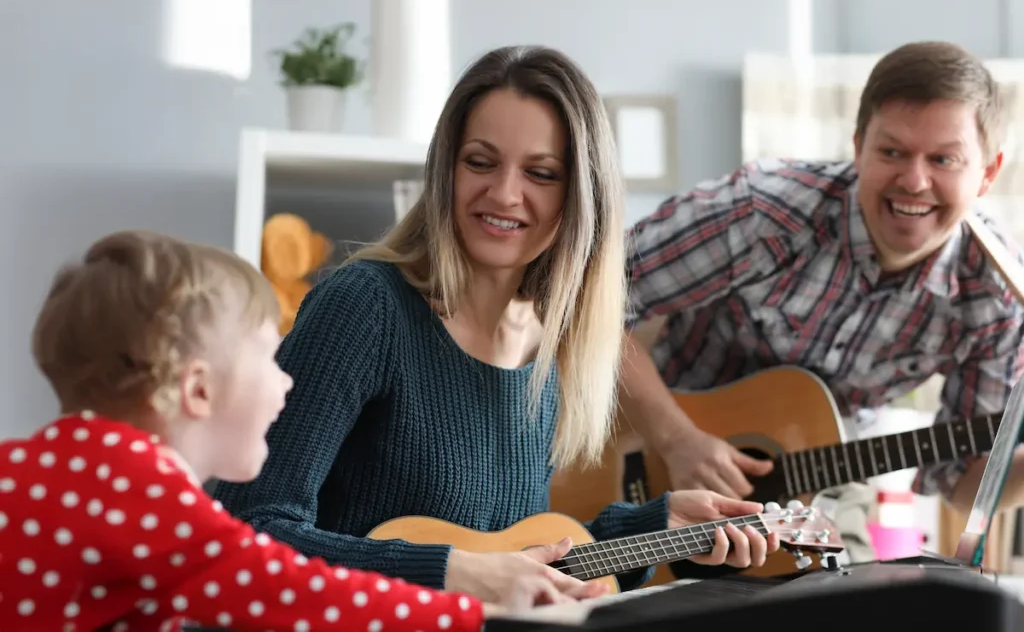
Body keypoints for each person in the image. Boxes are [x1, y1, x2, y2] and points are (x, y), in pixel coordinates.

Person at [212, 44, 779, 603]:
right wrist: (448, 572)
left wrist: (654, 531)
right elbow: (247, 534)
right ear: (446, 170)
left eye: (541, 172)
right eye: (480, 162)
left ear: (582, 198)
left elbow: (510, 556)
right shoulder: (363, 308)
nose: (505, 193)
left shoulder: (548, 345)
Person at [0, 230, 585, 632]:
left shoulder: (63, 469)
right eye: (267, 355)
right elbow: (291, 593)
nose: (287, 382)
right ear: (198, 390)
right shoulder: (140, 491)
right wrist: (474, 612)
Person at [617, 39, 1024, 570]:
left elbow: (963, 488)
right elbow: (583, 303)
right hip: (641, 455)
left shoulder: (997, 299)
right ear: (857, 147)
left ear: (988, 173)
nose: (914, 181)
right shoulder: (763, 210)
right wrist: (676, 438)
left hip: (822, 492)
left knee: (853, 609)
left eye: (943, 159)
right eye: (892, 151)